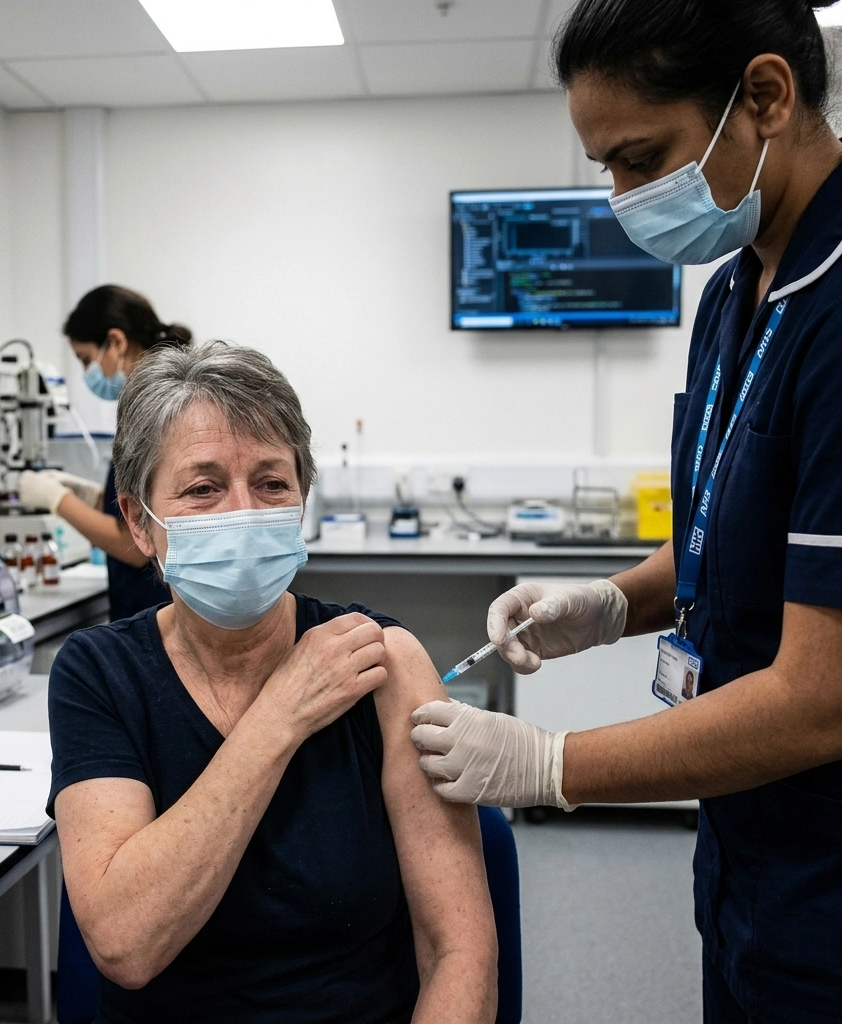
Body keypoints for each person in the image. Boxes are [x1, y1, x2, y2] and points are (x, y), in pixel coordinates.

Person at [411, 2, 842, 1021]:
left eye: (641, 160)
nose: (622, 200)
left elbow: (822, 695)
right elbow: (728, 541)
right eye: (605, 168)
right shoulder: (733, 292)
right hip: (745, 848)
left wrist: (550, 763)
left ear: (765, 97)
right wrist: (610, 603)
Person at [48, 341, 498, 1023]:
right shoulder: (98, 675)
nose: (244, 512)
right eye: (203, 489)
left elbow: (458, 951)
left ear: (301, 500)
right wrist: (280, 714)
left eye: (271, 484)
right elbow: (125, 944)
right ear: (140, 523)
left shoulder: (381, 663)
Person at [18, 285, 193, 621]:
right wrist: (90, 496)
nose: (88, 373)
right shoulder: (153, 401)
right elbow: (143, 504)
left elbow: (135, 545)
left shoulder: (153, 409)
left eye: (86, 360)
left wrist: (59, 501)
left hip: (155, 607)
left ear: (116, 342)